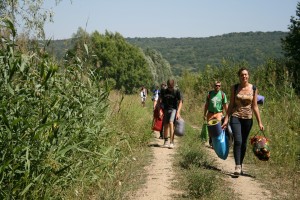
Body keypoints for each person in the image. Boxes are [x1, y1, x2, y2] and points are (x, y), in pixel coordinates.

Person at [221, 67, 264, 176]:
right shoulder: (234, 88)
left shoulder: (253, 88)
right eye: (242, 75)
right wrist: (226, 119)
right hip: (235, 117)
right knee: (238, 141)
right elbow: (231, 104)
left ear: (248, 76)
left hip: (248, 119)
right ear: (239, 77)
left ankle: (240, 164)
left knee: (244, 143)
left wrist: (260, 122)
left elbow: (255, 106)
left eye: (246, 74)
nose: (244, 76)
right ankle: (237, 166)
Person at [159, 79, 183, 149]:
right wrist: (160, 110)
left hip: (174, 109)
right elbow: (159, 101)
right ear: (167, 86)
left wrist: (178, 112)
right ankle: (166, 141)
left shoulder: (177, 91)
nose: (170, 89)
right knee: (165, 125)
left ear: (173, 86)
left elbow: (181, 101)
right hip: (166, 109)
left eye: (171, 87)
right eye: (169, 87)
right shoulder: (164, 91)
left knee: (171, 122)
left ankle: (171, 142)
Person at [203, 81, 228, 146]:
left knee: (217, 128)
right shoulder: (210, 94)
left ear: (220, 86)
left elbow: (225, 105)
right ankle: (211, 142)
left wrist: (228, 115)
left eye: (219, 85)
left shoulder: (222, 94)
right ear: (214, 86)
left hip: (218, 113)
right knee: (210, 128)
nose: (217, 87)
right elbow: (207, 104)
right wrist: (204, 114)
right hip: (210, 113)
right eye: (216, 85)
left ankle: (217, 142)